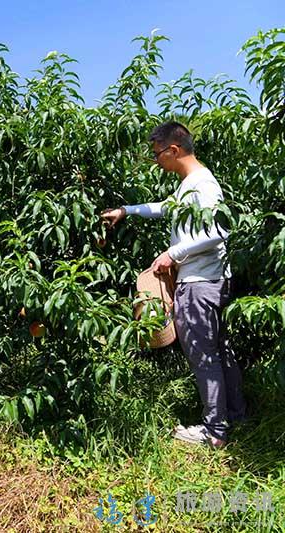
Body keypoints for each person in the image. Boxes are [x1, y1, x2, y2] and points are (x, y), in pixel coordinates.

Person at [101, 121, 246, 447]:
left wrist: (173, 253)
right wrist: (126, 210)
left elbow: (219, 231)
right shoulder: (190, 184)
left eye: (157, 154)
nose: (156, 161)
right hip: (207, 279)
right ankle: (235, 414)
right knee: (219, 351)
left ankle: (214, 432)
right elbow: (167, 208)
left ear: (174, 150)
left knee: (203, 354)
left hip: (199, 283)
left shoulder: (203, 184)